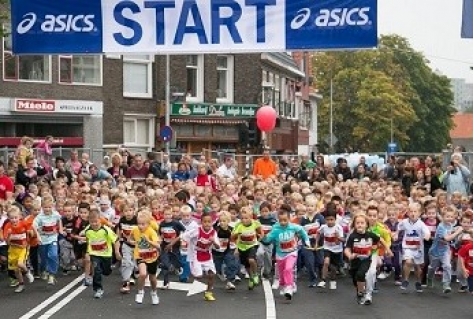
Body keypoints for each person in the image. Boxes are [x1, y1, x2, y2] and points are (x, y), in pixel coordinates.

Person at [262, 204, 310, 301]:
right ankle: (284, 285)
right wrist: (263, 237)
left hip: (291, 252)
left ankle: (289, 287)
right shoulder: (276, 229)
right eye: (281, 221)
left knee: (288, 269)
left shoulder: (293, 227)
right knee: (282, 272)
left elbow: (302, 232)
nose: (283, 223)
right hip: (280, 254)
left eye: (285, 220)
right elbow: (268, 240)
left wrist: (307, 240)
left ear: (289, 219)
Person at [183, 212, 221, 301]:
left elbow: (218, 247)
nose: (207, 224)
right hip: (196, 254)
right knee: (199, 276)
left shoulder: (213, 232)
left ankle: (208, 293)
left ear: (212, 222)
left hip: (208, 255)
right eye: (205, 222)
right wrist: (172, 244)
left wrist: (213, 241)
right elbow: (183, 236)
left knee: (212, 275)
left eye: (209, 222)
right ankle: (192, 268)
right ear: (201, 222)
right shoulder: (197, 230)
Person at [344, 213, 380, 305]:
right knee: (355, 277)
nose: (360, 225)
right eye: (357, 223)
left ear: (366, 224)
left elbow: (377, 241)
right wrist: (349, 255)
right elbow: (347, 249)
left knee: (361, 274)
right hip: (355, 260)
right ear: (354, 225)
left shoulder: (371, 235)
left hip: (366, 260)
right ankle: (359, 290)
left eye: (362, 223)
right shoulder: (352, 236)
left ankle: (361, 293)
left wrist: (374, 247)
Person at [84, 209, 120, 299]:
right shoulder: (88, 230)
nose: (94, 224)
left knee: (106, 272)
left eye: (96, 222)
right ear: (89, 222)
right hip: (95, 254)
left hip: (106, 254)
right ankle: (98, 289)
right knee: (97, 270)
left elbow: (116, 240)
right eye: (91, 222)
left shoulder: (105, 230)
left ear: (100, 220)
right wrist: (88, 251)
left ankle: (107, 270)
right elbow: (88, 240)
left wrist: (117, 252)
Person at [426, 207, 464, 293]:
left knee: (447, 266)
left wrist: (456, 229)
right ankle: (429, 278)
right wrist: (457, 232)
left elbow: (451, 232)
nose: (449, 218)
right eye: (447, 216)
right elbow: (447, 238)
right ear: (442, 217)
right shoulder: (440, 227)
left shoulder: (450, 225)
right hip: (435, 251)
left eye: (451, 216)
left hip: (445, 251)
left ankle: (446, 284)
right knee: (433, 267)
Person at [129, 211, 161, 305]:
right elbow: (130, 238)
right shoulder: (135, 230)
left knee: (152, 278)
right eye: (139, 223)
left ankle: (154, 293)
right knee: (142, 274)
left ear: (148, 224)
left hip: (152, 257)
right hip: (140, 255)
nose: (140, 226)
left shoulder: (151, 232)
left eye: (143, 224)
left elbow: (157, 245)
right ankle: (140, 292)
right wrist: (132, 242)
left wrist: (148, 241)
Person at [398, 203, 431, 293]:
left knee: (417, 267)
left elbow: (427, 232)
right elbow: (398, 228)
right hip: (407, 247)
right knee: (408, 262)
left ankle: (418, 282)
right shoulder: (404, 222)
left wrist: (426, 236)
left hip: (418, 249)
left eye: (415, 211)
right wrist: (395, 234)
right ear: (408, 213)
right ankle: (405, 280)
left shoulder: (421, 224)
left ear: (419, 213)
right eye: (411, 211)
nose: (413, 213)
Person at [3, 206, 35, 292]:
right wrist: (9, 235)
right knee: (16, 269)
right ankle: (21, 284)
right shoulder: (7, 226)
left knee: (20, 264)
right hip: (13, 249)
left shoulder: (24, 223)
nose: (14, 220)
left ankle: (27, 272)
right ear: (8, 218)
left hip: (23, 249)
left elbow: (31, 233)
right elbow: (7, 242)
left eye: (16, 217)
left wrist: (30, 232)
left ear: (20, 216)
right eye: (12, 218)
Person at [33, 196, 62, 285]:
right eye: (45, 207)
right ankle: (43, 270)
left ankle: (52, 275)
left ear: (52, 206)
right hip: (43, 240)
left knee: (53, 255)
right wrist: (37, 236)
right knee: (44, 258)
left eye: (49, 207)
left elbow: (59, 219)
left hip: (53, 238)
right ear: (42, 207)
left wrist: (60, 228)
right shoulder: (39, 217)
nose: (47, 209)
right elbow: (34, 226)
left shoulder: (55, 214)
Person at [231, 207, 262, 290]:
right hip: (242, 247)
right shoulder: (239, 226)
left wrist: (258, 241)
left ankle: (255, 274)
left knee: (251, 259)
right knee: (247, 265)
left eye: (246, 218)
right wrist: (236, 248)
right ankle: (251, 278)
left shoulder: (255, 223)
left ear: (251, 217)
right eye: (242, 218)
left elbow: (261, 233)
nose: (244, 220)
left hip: (252, 245)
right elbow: (232, 238)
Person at [316, 208, 344, 290]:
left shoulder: (338, 228)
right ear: (325, 220)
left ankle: (333, 280)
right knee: (326, 262)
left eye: (332, 219)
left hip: (337, 250)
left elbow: (342, 241)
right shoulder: (323, 227)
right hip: (327, 248)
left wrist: (338, 237)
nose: (330, 222)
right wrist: (317, 243)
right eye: (328, 220)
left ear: (335, 219)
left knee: (334, 268)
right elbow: (318, 233)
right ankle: (323, 280)